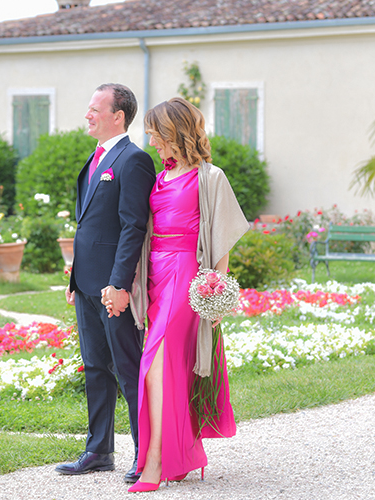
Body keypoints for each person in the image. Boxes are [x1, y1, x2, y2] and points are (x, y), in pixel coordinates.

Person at [124, 97, 249, 493]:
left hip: (185, 276)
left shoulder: (210, 177)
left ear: (174, 132)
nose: (151, 140)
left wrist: (215, 297)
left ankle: (155, 463)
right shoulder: (161, 177)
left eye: (155, 133)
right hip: (155, 277)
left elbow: (222, 241)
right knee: (170, 370)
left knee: (154, 364)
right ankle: (178, 457)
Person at [55, 83, 156, 483]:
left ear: (119, 116)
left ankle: (145, 453)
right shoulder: (94, 159)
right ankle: (98, 450)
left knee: (128, 368)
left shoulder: (134, 160)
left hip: (114, 288)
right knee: (95, 367)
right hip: (86, 284)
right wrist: (76, 276)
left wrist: (120, 284)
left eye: (96, 109)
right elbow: (90, 226)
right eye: (88, 108)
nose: (88, 115)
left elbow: (133, 227)